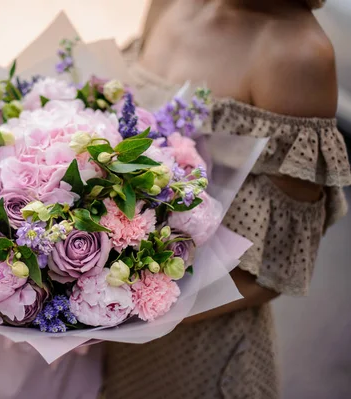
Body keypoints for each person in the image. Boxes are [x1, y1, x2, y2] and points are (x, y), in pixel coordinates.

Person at [103, 0, 351, 398]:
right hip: (102, 342)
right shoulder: (168, 4)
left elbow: (274, 267)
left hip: (198, 358)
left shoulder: (297, 54)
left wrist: (117, 315)